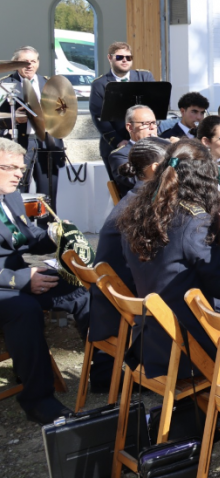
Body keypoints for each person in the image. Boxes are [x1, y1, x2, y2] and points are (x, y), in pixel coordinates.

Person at [119, 139, 220, 378]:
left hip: (153, 338)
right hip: (188, 346)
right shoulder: (194, 221)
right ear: (205, 178)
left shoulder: (141, 210)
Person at [0, 138, 95, 423]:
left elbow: (26, 239)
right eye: (10, 168)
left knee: (81, 285)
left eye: (21, 168)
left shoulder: (12, 195)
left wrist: (56, 236)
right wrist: (18, 280)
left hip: (19, 277)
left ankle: (104, 369)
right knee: (23, 309)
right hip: (9, 284)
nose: (20, 174)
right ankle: (37, 399)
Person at [91, 138, 169, 372]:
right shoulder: (141, 208)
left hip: (120, 301)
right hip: (126, 309)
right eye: (176, 163)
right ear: (156, 168)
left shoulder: (139, 199)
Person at [0, 47, 66, 209]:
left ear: (38, 63)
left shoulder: (49, 83)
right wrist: (13, 118)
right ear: (15, 64)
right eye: (24, 62)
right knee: (17, 193)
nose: (29, 65)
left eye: (33, 61)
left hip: (48, 144)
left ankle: (47, 232)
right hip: (20, 145)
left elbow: (64, 113)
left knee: (48, 197)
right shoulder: (4, 85)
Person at [89, 41, 154, 169]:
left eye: (128, 57)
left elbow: (155, 109)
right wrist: (118, 141)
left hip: (145, 143)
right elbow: (99, 116)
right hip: (116, 145)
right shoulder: (100, 84)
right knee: (121, 186)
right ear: (110, 58)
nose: (125, 60)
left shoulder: (144, 77)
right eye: (119, 57)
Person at [108, 105, 160, 198]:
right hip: (142, 205)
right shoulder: (120, 155)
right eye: (145, 124)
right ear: (130, 127)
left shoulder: (166, 147)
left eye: (154, 123)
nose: (152, 127)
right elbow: (136, 182)